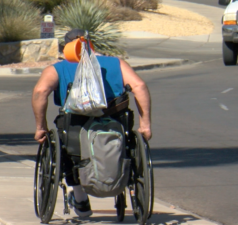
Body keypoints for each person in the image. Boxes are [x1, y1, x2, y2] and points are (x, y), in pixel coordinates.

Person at [31, 28, 152, 218]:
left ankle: (80, 199)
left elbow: (40, 92)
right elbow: (140, 86)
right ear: (90, 44)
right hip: (115, 126)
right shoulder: (115, 63)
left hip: (75, 129)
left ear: (67, 48)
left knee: (67, 150)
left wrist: (41, 128)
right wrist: (145, 124)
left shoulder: (58, 68)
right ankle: (120, 181)